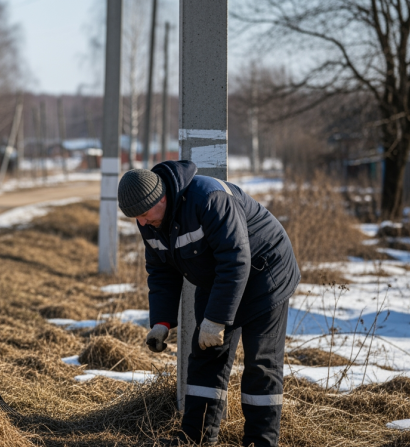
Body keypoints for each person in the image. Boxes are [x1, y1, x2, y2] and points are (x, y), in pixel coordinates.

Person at [117, 161, 300, 447]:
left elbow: (236, 259)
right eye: (135, 218)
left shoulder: (210, 198)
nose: (141, 223)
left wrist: (215, 320)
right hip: (218, 278)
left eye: (143, 215)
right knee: (205, 354)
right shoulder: (151, 221)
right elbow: (161, 271)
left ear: (161, 198)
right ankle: (196, 438)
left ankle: (260, 441)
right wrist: (161, 322)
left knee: (261, 361)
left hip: (266, 273)